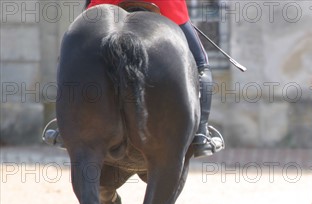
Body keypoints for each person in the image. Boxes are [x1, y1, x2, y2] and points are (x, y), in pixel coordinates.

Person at [43, 0, 223, 158]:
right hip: (165, 4)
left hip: (107, 3)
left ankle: (64, 126)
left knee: (70, 56)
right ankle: (201, 134)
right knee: (201, 64)